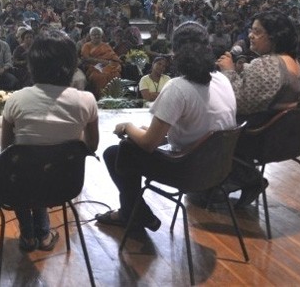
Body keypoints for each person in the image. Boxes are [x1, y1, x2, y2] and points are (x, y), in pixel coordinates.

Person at [95, 22, 236, 231]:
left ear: (175, 52)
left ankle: (134, 214)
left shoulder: (178, 87)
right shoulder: (222, 80)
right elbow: (195, 129)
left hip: (186, 170)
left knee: (118, 152)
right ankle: (134, 212)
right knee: (131, 145)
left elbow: (149, 144)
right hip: (218, 168)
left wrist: (127, 127)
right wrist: (147, 131)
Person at [1, 30, 99, 252]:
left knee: (23, 170)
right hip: (65, 185)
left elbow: (6, 151)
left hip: (21, 186)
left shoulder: (16, 99)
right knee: (45, 169)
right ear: (71, 65)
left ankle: (29, 235)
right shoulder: (87, 100)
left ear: (33, 64)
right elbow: (91, 147)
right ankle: (44, 234)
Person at [216, 10, 300, 207]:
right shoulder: (293, 62)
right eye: (251, 30)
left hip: (258, 139)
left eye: (257, 32)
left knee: (213, 124)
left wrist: (229, 72)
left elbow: (238, 102)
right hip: (284, 136)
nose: (250, 36)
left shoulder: (267, 65)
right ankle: (239, 179)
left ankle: (236, 179)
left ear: (273, 37)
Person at [79, 26, 122, 98]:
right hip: (93, 67)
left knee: (116, 74)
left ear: (101, 36)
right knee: (98, 77)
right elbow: (85, 58)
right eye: (94, 34)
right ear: (90, 36)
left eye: (98, 34)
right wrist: (100, 61)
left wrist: (110, 62)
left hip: (106, 65)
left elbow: (113, 57)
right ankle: (101, 97)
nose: (96, 36)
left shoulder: (106, 45)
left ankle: (113, 97)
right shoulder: (87, 45)